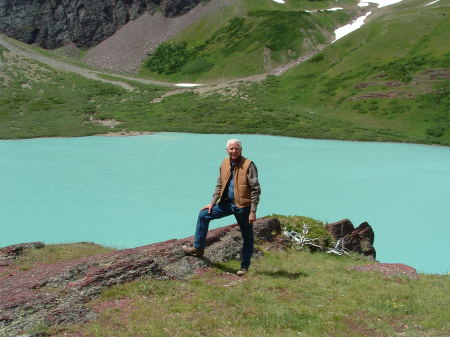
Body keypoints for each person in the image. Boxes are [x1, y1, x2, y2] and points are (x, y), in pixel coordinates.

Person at [182, 139, 261, 276]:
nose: (234, 151)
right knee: (204, 215)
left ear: (241, 150)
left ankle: (244, 267)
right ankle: (198, 249)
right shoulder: (224, 163)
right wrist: (213, 202)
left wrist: (253, 211)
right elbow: (220, 184)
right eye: (231, 149)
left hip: (243, 207)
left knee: (247, 236)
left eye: (236, 148)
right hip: (227, 203)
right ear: (227, 150)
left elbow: (256, 190)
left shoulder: (249, 165)